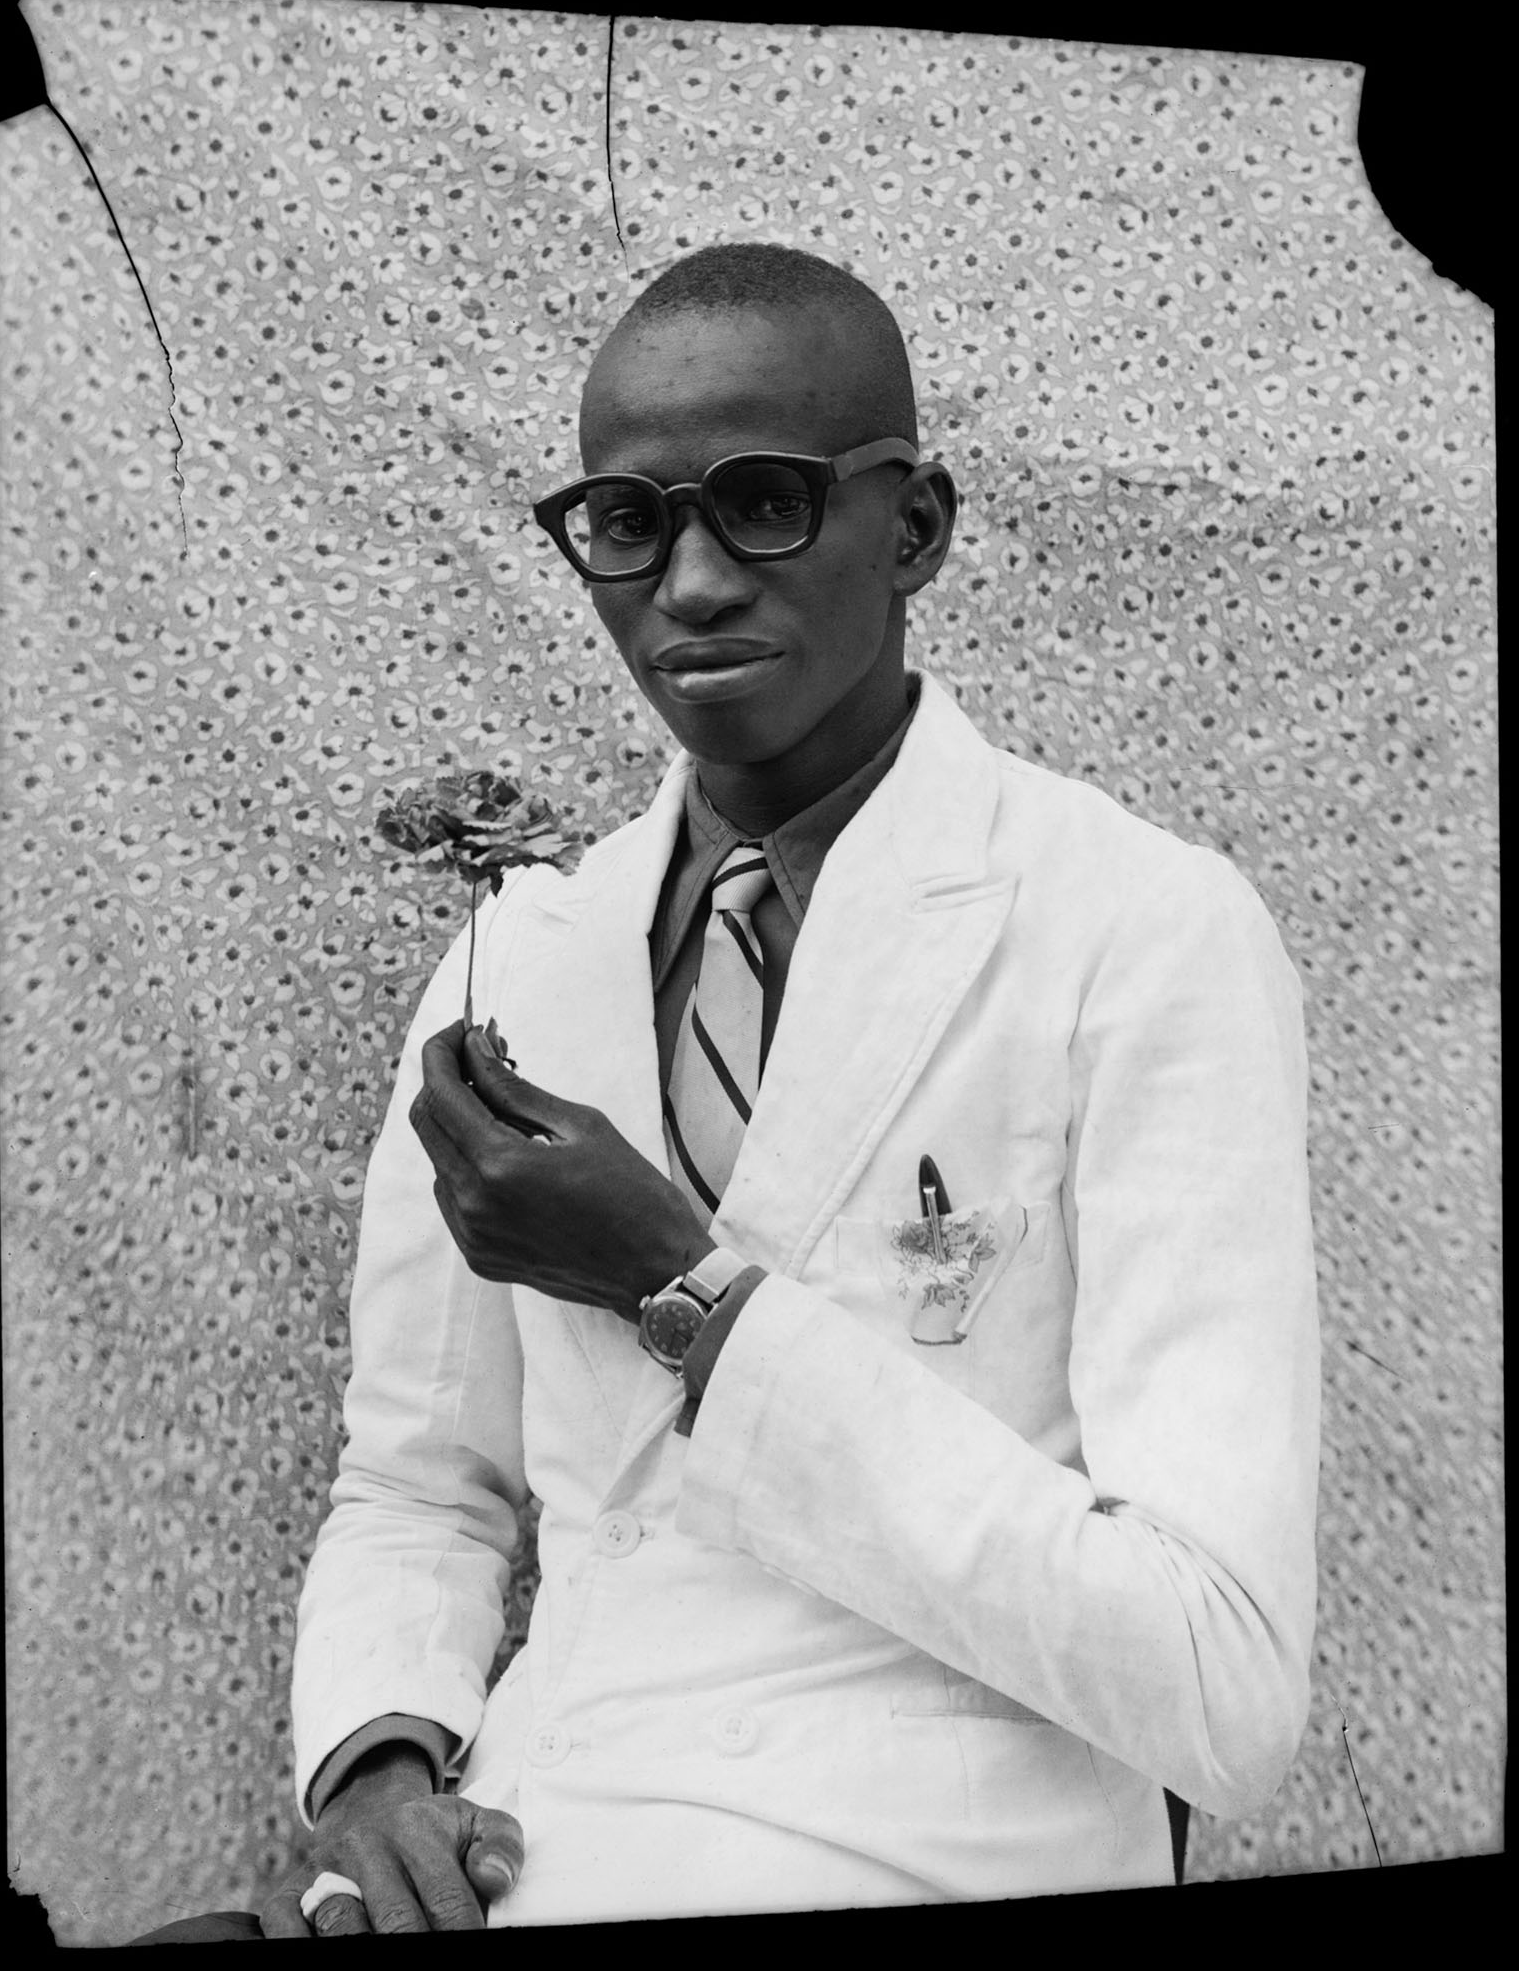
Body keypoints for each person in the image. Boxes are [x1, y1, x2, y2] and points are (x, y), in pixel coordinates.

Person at [137, 242, 1319, 1940]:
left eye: (761, 504)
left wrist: (681, 1291)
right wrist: (383, 1764)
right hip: (540, 1838)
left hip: (931, 1860)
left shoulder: (1138, 930)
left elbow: (1220, 1677)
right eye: (626, 522)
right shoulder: (512, 964)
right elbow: (421, 1486)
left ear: (912, 528)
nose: (686, 582)